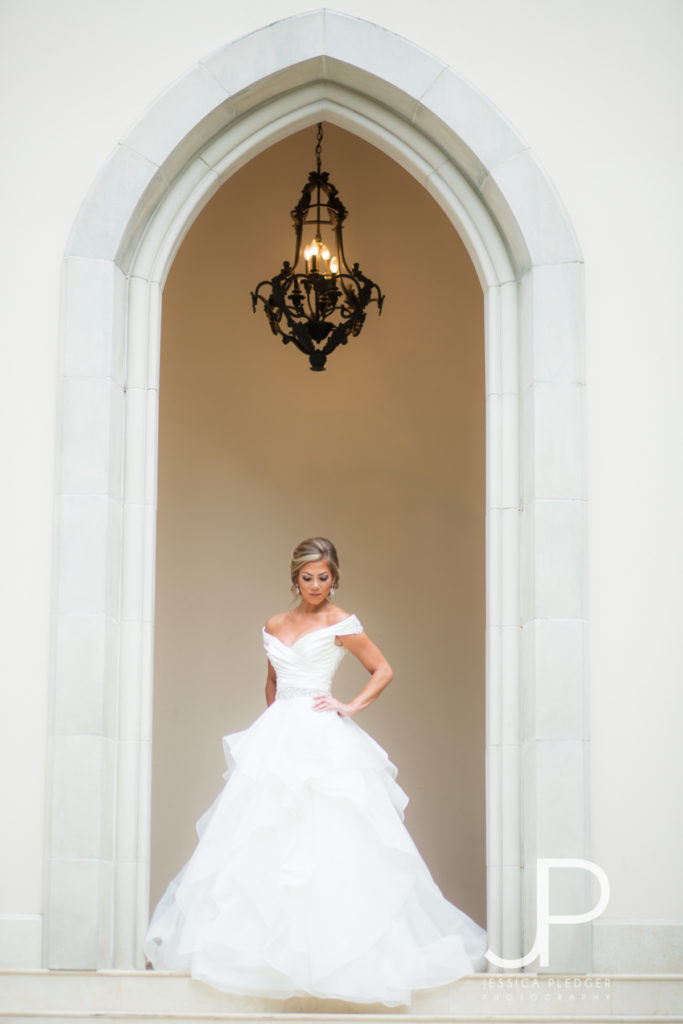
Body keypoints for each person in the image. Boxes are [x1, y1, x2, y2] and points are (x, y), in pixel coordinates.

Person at [144, 537, 488, 1006]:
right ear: (295, 578)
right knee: (263, 836)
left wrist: (349, 706)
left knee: (334, 834)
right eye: (307, 577)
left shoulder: (341, 623)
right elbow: (271, 680)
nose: (315, 585)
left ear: (335, 578)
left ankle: (339, 954)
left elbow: (382, 669)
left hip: (323, 732)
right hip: (278, 732)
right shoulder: (273, 624)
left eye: (323, 577)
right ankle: (266, 956)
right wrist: (273, 732)